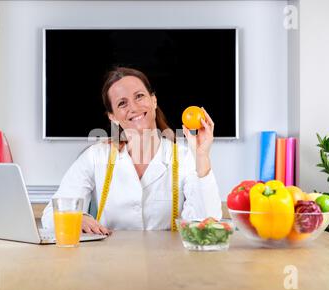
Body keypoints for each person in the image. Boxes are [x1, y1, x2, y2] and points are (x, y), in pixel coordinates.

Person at [41, 67, 222, 235]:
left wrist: (202, 156)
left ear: (153, 100)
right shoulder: (95, 156)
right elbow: (51, 214)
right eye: (122, 103)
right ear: (112, 117)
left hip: (168, 264)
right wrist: (76, 218)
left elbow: (208, 222)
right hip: (108, 263)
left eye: (139, 96)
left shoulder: (185, 157)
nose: (133, 107)